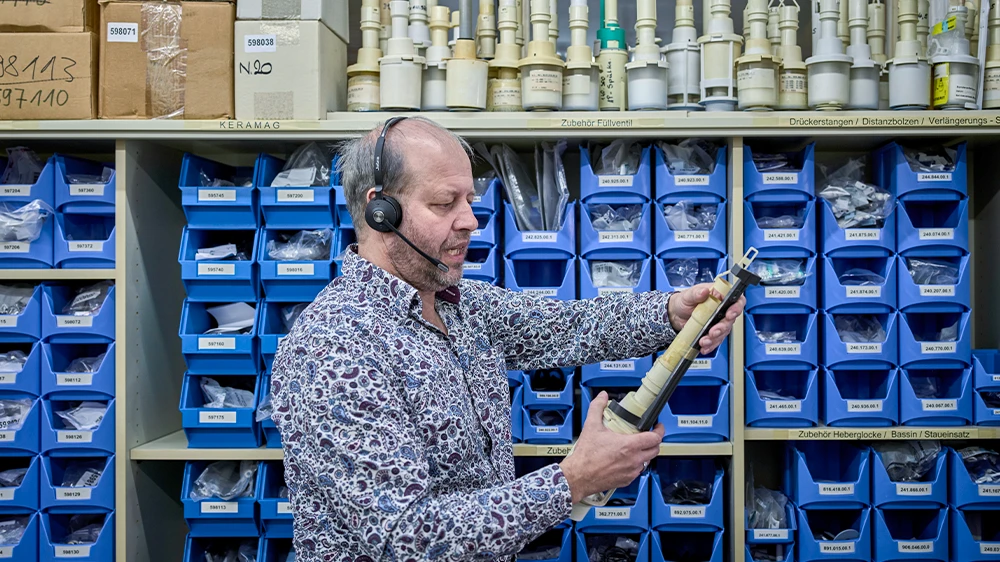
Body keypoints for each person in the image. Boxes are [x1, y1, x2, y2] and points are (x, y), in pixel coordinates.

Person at [270, 117, 744, 562]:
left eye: (469, 200)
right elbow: (407, 537)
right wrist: (572, 480)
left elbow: (572, 326)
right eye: (443, 203)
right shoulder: (333, 348)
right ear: (380, 211)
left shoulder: (460, 306)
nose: (471, 221)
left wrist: (670, 312)